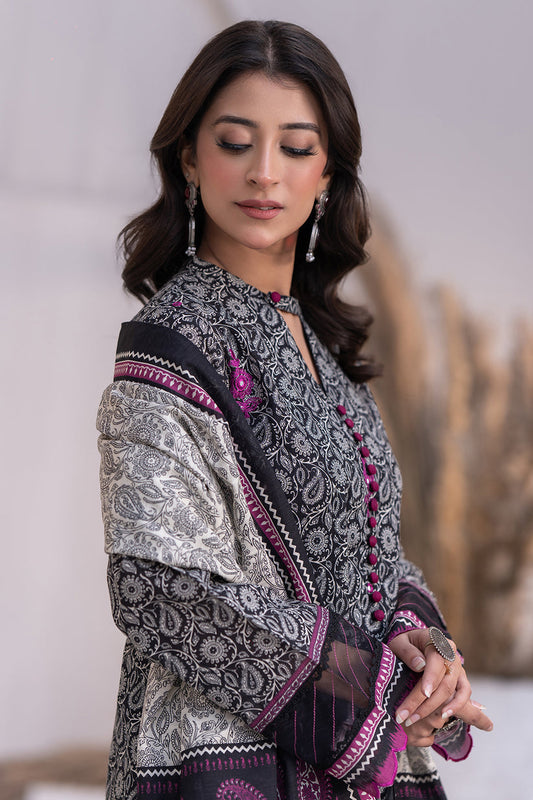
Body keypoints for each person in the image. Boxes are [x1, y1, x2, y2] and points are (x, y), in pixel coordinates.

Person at [97, 19, 493, 800]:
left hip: (356, 757)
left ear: (328, 173)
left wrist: (424, 653)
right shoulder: (169, 343)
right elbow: (158, 587)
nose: (263, 174)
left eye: (296, 147)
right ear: (188, 159)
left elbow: (369, 551)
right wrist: (375, 695)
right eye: (236, 142)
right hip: (226, 758)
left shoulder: (316, 339)